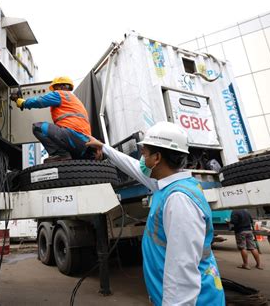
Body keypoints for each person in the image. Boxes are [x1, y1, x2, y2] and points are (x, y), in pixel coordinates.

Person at [86, 121, 225, 306]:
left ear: (157, 157)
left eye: (144, 154)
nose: (141, 159)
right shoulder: (167, 185)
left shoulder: (178, 200)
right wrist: (104, 148)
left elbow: (181, 272)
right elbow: (133, 167)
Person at [11, 76, 99, 163]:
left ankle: (60, 154)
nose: (54, 90)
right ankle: (63, 155)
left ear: (61, 86)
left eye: (55, 87)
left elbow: (40, 101)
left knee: (37, 127)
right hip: (85, 144)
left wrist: (22, 103)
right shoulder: (75, 99)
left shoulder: (60, 94)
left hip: (72, 136)